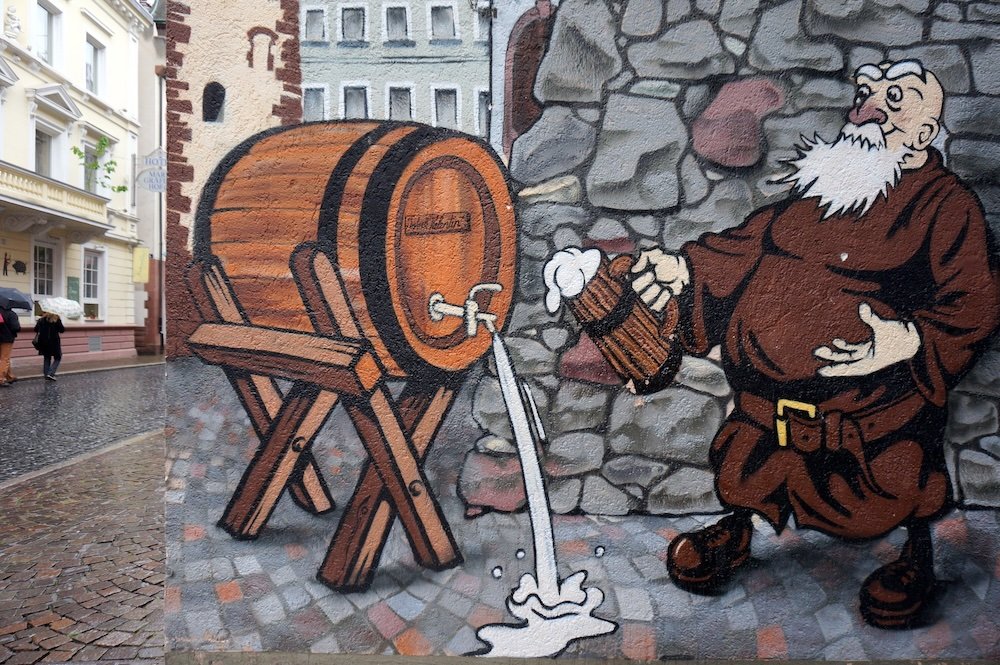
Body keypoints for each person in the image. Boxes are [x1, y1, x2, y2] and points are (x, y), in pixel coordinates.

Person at [626, 61, 1000, 628]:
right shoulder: (829, 187)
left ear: (924, 134)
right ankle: (739, 527)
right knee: (748, 468)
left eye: (893, 97)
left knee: (894, 485)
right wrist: (685, 268)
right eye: (866, 91)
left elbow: (974, 297)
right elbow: (744, 245)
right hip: (765, 410)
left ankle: (916, 553)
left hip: (870, 417)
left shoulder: (946, 206)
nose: (868, 105)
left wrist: (910, 341)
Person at [34, 311, 64, 381]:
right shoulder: (56, 319)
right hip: (54, 342)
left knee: (47, 358)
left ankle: (46, 375)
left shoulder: (41, 320)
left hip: (44, 342)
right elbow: (62, 330)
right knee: (58, 357)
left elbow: (35, 329)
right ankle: (50, 373)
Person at [0, 301, 20, 386]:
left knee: (3, 358)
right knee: (5, 358)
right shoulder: (11, 314)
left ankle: (10, 377)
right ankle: (0, 378)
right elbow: (16, 327)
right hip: (6, 339)